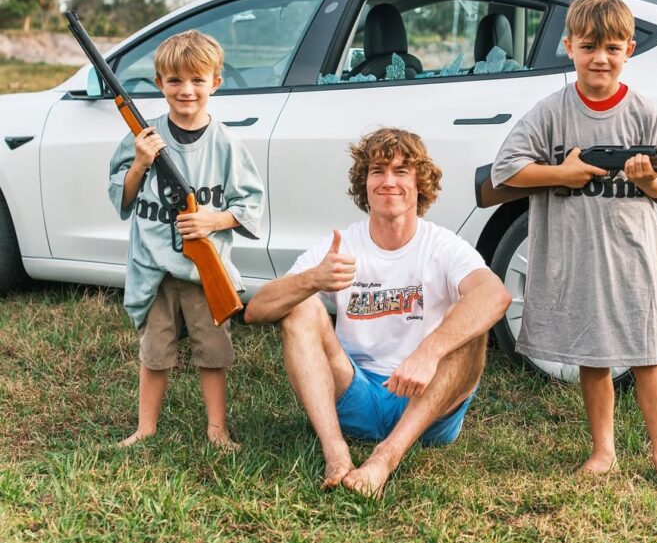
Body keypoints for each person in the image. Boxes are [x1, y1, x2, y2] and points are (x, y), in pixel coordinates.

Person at [244, 127, 511, 498]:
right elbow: (257, 310)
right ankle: (335, 451)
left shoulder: (442, 245)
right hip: (355, 395)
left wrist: (429, 352)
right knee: (299, 305)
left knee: (471, 329)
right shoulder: (344, 244)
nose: (389, 181)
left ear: (420, 183)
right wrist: (313, 279)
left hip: (425, 406)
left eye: (401, 171)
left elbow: (495, 296)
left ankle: (385, 457)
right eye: (377, 170)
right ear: (364, 184)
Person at [491, 0, 657, 487]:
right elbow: (505, 170)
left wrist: (646, 179)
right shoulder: (552, 111)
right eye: (590, 46)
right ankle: (604, 451)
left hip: (631, 256)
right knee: (592, 356)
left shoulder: (644, 112)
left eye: (613, 48)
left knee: (647, 355)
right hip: (574, 252)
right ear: (568, 46)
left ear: (630, 50)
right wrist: (564, 172)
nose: (601, 58)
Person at [109, 30, 263, 449]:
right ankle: (146, 428)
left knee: (212, 353)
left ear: (215, 82)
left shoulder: (227, 143)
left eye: (197, 80)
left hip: (202, 270)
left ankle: (217, 430)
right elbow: (120, 195)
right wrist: (140, 163)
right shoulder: (142, 137)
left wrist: (212, 221)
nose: (186, 90)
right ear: (159, 84)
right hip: (153, 268)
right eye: (174, 81)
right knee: (154, 353)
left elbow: (250, 204)